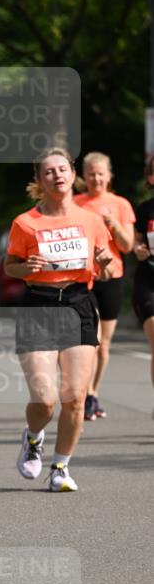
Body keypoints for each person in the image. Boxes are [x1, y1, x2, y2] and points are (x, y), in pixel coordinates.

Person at [5, 148, 114, 492]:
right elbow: (10, 267)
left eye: (63, 169)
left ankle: (60, 468)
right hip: (39, 305)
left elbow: (107, 267)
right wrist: (26, 267)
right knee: (45, 399)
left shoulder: (90, 221)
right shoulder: (25, 223)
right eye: (49, 171)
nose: (57, 175)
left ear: (72, 174)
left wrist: (105, 262)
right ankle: (33, 437)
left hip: (79, 303)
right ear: (39, 180)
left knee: (75, 397)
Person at [74, 152, 135, 419]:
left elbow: (127, 246)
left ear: (109, 176)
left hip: (112, 277)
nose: (96, 178)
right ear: (84, 176)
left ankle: (93, 393)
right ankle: (84, 393)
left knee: (104, 342)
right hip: (84, 279)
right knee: (91, 340)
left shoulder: (120, 204)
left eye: (100, 173)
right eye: (91, 173)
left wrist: (113, 224)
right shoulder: (76, 203)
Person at [133, 153, 154, 404]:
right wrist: (137, 248)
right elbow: (136, 240)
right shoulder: (145, 209)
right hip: (148, 280)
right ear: (150, 178)